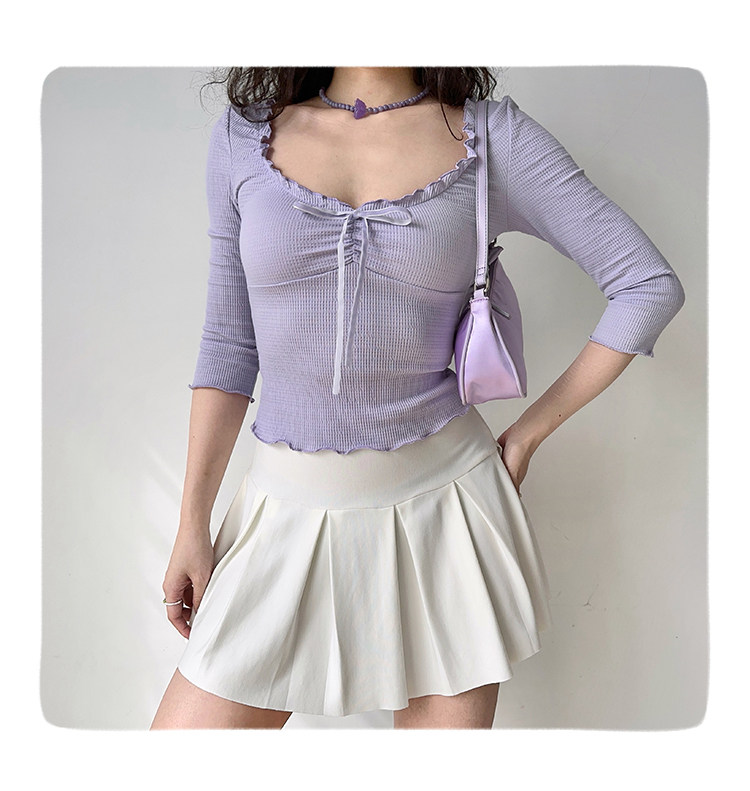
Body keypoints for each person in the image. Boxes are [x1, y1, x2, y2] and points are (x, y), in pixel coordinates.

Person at [149, 67, 685, 730]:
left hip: (448, 517)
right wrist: (192, 522)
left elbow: (646, 285)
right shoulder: (243, 138)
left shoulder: (492, 139)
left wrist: (527, 434)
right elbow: (229, 346)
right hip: (281, 512)